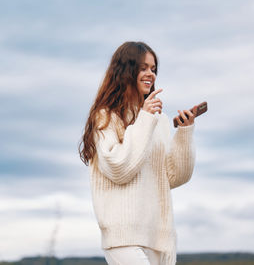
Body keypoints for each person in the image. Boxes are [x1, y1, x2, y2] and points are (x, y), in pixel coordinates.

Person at [78, 41, 197, 265]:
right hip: (124, 236)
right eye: (143, 68)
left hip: (158, 237)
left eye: (153, 69)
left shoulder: (157, 120)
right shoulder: (105, 116)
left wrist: (184, 132)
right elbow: (118, 168)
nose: (150, 74)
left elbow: (173, 177)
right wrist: (145, 118)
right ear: (125, 71)